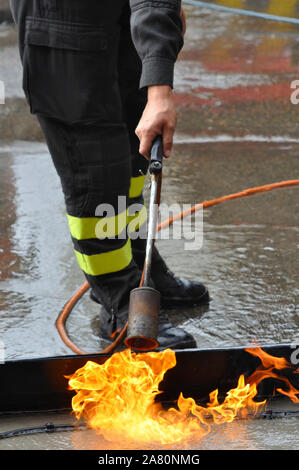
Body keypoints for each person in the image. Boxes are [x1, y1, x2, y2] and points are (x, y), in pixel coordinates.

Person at [10, 0, 209, 350]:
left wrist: (158, 49)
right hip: (61, 24)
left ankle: (137, 264)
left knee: (132, 152)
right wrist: (161, 90)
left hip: (116, 17)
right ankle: (118, 301)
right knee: (94, 170)